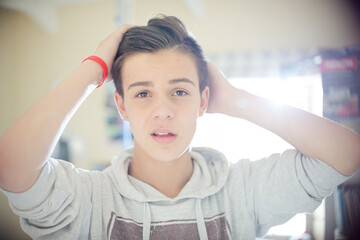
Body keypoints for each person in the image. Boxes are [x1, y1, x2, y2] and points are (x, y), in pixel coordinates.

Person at [0, 15, 359, 240]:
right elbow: (11, 167)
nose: (163, 111)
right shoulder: (88, 199)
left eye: (180, 91)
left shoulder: (245, 191)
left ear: (203, 101)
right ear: (121, 106)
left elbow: (346, 154)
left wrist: (233, 99)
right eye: (142, 93)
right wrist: (93, 68)